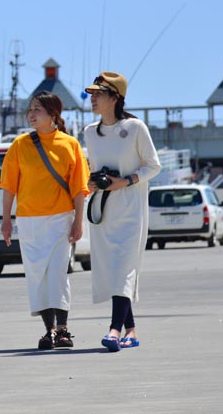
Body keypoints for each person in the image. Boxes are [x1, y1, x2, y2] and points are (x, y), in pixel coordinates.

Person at [0, 91, 89, 350]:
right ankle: (48, 331)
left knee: (58, 273)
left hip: (61, 218)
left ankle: (63, 329)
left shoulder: (70, 144)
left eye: (37, 109)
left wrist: (78, 221)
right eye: (30, 109)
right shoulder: (19, 145)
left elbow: (78, 189)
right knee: (37, 275)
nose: (31, 114)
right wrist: (6, 219)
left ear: (53, 114)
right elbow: (9, 186)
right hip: (28, 220)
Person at [83, 72, 161, 352]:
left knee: (124, 269)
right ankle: (131, 329)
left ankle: (114, 330)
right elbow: (94, 169)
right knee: (112, 270)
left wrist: (125, 181)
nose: (92, 98)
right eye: (91, 94)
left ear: (115, 97)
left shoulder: (136, 128)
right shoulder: (90, 132)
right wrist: (93, 182)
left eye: (98, 93)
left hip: (131, 209)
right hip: (104, 210)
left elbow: (154, 166)